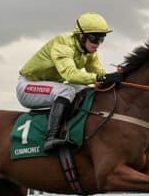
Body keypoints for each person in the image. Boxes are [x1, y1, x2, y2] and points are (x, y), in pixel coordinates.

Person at [18, 12, 124, 152]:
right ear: (81, 35)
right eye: (94, 39)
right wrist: (102, 78)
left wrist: (121, 75)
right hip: (28, 86)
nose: (97, 44)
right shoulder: (62, 44)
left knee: (85, 90)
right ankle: (51, 138)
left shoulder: (89, 52)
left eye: (101, 39)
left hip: (52, 86)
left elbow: (100, 77)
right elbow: (70, 75)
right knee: (67, 90)